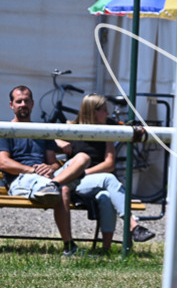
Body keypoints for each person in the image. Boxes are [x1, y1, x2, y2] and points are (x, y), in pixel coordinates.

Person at [55, 93, 155, 252]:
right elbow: (46, 140)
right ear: (91, 111)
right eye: (104, 110)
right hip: (75, 183)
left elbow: (109, 164)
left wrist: (84, 172)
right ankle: (133, 226)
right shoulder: (71, 127)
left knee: (107, 197)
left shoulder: (108, 126)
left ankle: (105, 250)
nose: (107, 114)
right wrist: (58, 142)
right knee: (108, 179)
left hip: (91, 180)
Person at [0, 86, 90, 256]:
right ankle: (69, 246)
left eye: (27, 100)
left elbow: (54, 164)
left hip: (47, 178)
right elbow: (3, 163)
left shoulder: (41, 131)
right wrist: (32, 170)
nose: (23, 104)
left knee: (83, 157)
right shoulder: (5, 130)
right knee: (63, 189)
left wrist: (51, 168)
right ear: (11, 105)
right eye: (19, 101)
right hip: (21, 179)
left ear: (33, 104)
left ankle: (51, 186)